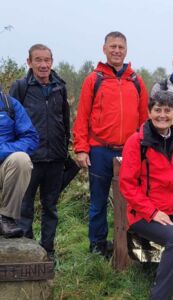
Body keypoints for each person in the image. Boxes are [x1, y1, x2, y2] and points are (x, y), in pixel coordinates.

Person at [119, 91, 173, 300]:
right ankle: (159, 296)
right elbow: (127, 184)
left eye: (167, 110)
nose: (162, 115)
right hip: (144, 213)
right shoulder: (136, 142)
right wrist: (152, 212)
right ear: (149, 112)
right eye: (157, 110)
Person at [73, 31, 148, 257]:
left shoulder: (136, 80)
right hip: (99, 150)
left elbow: (145, 118)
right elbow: (82, 117)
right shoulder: (94, 80)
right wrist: (81, 148)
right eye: (112, 46)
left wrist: (146, 148)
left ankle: (131, 246)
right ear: (104, 49)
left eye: (120, 47)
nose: (117, 50)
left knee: (133, 200)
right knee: (98, 202)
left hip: (130, 150)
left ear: (126, 50)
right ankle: (97, 247)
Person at [9, 44, 70, 259]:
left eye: (47, 60)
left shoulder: (60, 87)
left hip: (55, 157)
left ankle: (48, 251)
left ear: (52, 62)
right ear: (29, 62)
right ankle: (26, 252)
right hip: (29, 158)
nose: (43, 65)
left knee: (50, 207)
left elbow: (65, 120)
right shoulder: (20, 87)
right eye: (38, 60)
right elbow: (9, 121)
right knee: (24, 208)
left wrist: (65, 149)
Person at [0, 87, 38, 238]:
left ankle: (7, 218)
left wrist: (2, 151)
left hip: (3, 165)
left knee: (21, 160)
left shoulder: (10, 104)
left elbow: (30, 137)